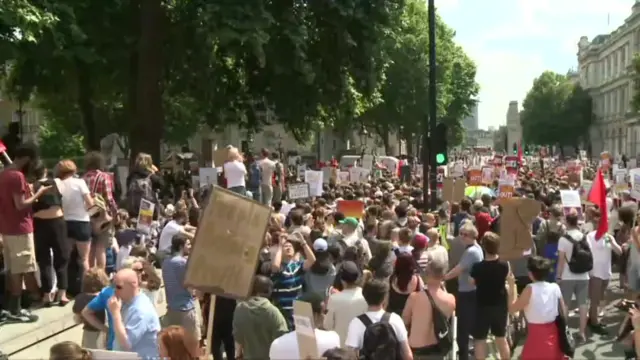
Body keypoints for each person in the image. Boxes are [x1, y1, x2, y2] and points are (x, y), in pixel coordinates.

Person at [0, 143, 45, 322]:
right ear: (27, 158)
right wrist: (38, 193)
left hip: (7, 228)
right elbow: (20, 205)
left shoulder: (3, 174)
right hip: (21, 228)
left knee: (12, 269)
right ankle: (16, 311)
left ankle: (13, 308)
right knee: (22, 268)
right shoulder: (17, 176)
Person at [507, 256, 566, 360]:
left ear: (530, 273)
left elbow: (512, 309)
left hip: (536, 335)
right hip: (554, 333)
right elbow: (563, 311)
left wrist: (512, 287)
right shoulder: (555, 287)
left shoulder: (530, 289)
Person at [31, 160, 70, 306]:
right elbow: (63, 198)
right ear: (45, 170)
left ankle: (47, 294)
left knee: (44, 259)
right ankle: (62, 293)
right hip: (57, 222)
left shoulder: (31, 186)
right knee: (62, 257)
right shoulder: (57, 182)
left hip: (40, 223)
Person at [402, 254, 455, 358]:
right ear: (443, 275)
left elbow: (405, 321)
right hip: (438, 348)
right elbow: (446, 321)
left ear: (426, 274)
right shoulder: (450, 299)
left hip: (416, 349)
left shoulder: (414, 297)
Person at [443, 222, 483, 360]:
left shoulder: (471, 251)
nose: (461, 237)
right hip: (469, 291)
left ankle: (464, 356)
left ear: (472, 236)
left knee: (463, 327)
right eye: (460, 234)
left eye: (464, 235)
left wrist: (444, 278)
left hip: (467, 292)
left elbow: (459, 269)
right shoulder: (474, 248)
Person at [345, 279, 412, 360]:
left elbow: (351, 355)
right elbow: (407, 355)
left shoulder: (356, 323)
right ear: (384, 297)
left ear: (365, 297)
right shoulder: (395, 319)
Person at [469, 232, 510, 360]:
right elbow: (509, 279)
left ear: (483, 247)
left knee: (480, 339)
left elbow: (472, 282)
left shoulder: (477, 267)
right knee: (501, 338)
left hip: (482, 306)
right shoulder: (504, 264)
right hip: (500, 306)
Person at [269, 292, 341, 359]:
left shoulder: (277, 344)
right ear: (315, 315)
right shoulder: (333, 338)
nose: (325, 315)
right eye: (324, 311)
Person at [233, 275, 289, 360]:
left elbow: (238, 338)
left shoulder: (240, 309)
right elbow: (282, 340)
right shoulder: (273, 312)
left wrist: (238, 355)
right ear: (268, 292)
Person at [109, 268, 161, 358]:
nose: (115, 290)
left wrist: (116, 313)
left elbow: (126, 343)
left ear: (133, 285)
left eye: (118, 287)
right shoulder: (126, 302)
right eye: (113, 286)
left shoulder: (141, 310)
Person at [556, 210, 591, 341]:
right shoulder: (584, 236)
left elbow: (560, 261)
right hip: (583, 275)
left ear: (566, 222)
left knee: (565, 304)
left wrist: (558, 276)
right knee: (583, 304)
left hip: (567, 275)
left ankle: (564, 332)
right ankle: (582, 332)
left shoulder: (563, 239)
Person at [58, 159, 94, 275]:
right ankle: (87, 286)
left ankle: (65, 285)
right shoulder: (80, 182)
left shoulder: (59, 184)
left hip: (66, 222)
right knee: (84, 259)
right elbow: (90, 203)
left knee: (65, 258)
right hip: (82, 222)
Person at [83, 151, 118, 270]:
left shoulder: (83, 178)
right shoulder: (104, 176)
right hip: (102, 217)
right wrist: (115, 213)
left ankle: (91, 276)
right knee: (101, 247)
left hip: (87, 216)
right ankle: (100, 276)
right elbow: (109, 199)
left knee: (91, 247)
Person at [162, 236, 201, 340]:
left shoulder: (166, 262)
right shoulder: (182, 263)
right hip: (186, 309)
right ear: (181, 246)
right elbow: (189, 285)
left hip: (171, 308)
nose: (190, 247)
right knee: (192, 341)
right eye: (188, 244)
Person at [324, 261, 368, 345]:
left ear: (342, 280)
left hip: (340, 347)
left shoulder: (334, 299)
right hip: (360, 347)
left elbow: (327, 325)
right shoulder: (366, 297)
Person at [72, 267, 110, 349]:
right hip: (107, 332)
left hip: (89, 333)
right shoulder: (106, 296)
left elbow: (77, 320)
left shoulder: (80, 298)